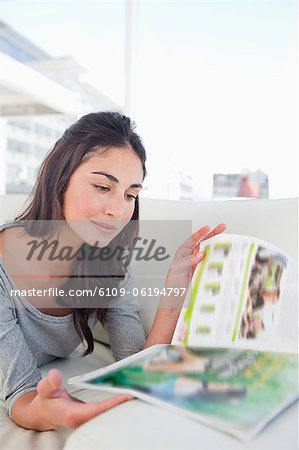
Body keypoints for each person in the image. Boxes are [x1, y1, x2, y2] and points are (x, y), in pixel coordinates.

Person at [0, 111, 225, 431]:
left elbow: (135, 362)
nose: (117, 211)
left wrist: (175, 288)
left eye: (130, 195)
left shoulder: (108, 261)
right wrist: (48, 410)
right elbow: (20, 396)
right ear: (59, 177)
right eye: (103, 187)